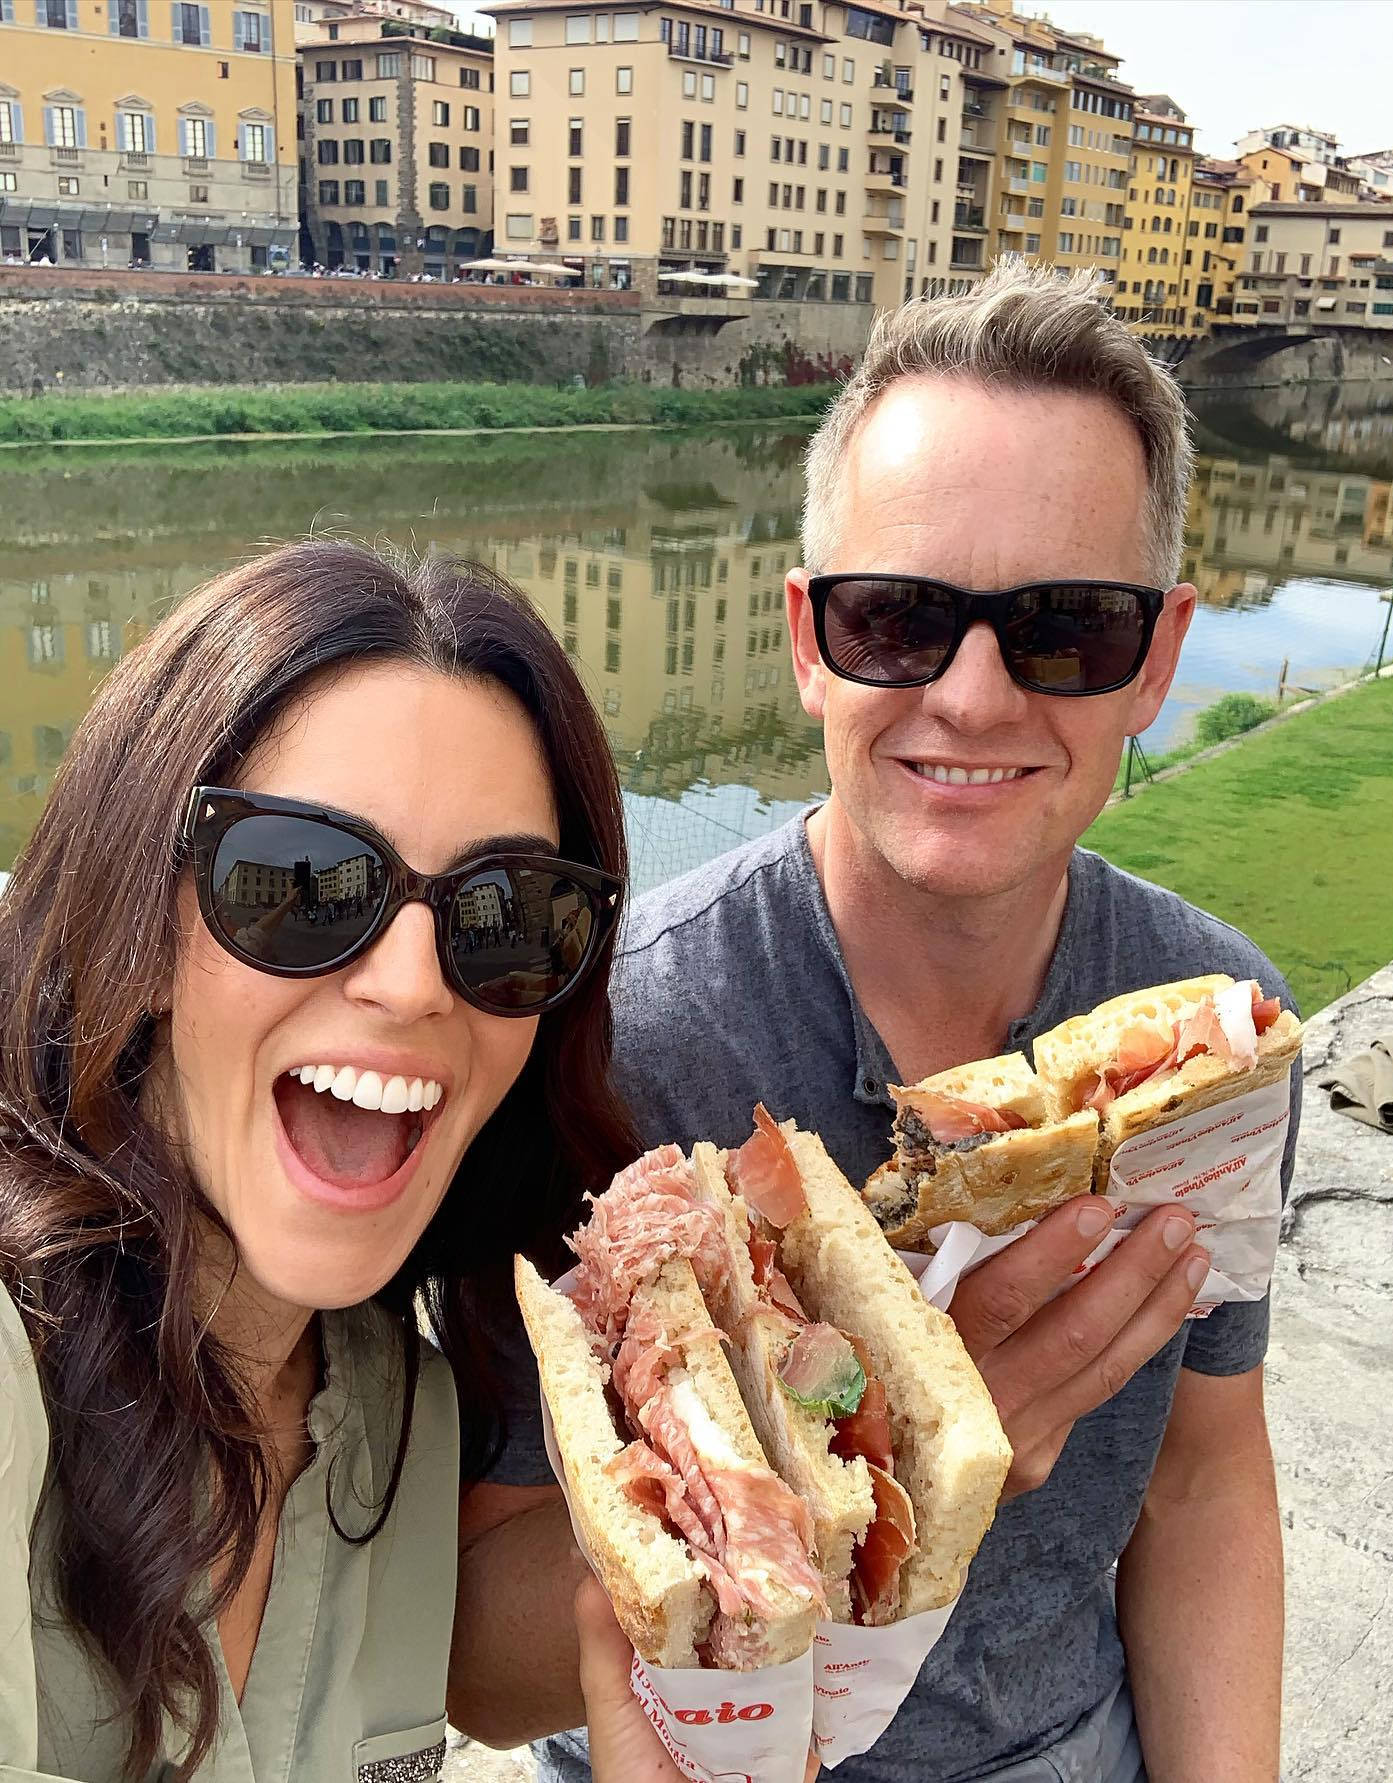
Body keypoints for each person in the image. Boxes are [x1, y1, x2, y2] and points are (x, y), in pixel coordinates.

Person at [450, 261, 1297, 1781]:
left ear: (1159, 659)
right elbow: (484, 1665)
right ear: (806, 638)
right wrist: (880, 1439)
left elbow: (1207, 1485)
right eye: (900, 616)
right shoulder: (613, 1034)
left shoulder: (1218, 1049)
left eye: (1067, 628)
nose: (971, 697)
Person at [0, 541, 656, 1781]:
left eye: (504, 912)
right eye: (299, 882)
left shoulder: (399, 1417)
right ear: (134, 928)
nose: (410, 984)